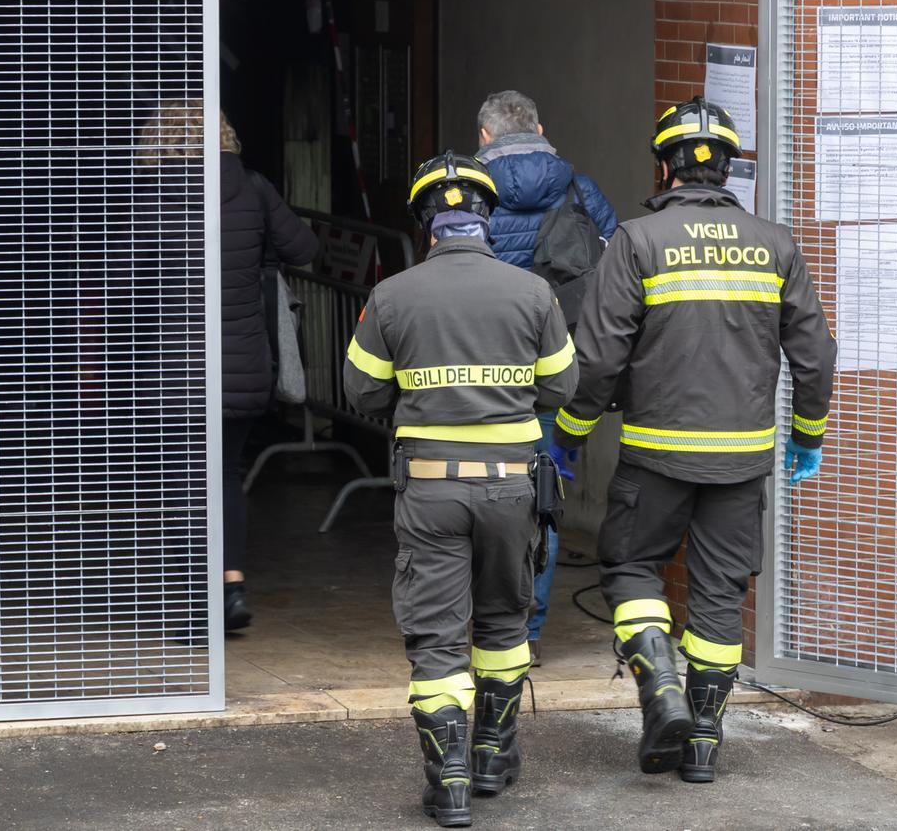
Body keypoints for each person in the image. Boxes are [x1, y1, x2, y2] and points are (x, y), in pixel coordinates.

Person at [550, 97, 836, 782]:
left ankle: (662, 692)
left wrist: (569, 432)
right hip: (741, 462)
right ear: (731, 168)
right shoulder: (777, 244)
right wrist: (806, 434)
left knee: (627, 566)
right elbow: (816, 355)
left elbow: (598, 358)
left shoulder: (636, 241)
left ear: (665, 166)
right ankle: (703, 744)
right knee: (716, 595)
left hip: (655, 456)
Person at [344, 151, 577, 827]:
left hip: (430, 490)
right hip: (511, 488)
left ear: (427, 222)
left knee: (437, 639)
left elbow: (360, 389)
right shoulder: (532, 292)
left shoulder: (392, 295)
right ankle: (493, 755)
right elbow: (564, 386)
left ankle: (447, 779)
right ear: (486, 216)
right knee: (504, 621)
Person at [140, 100, 318, 633]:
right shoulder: (254, 187)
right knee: (226, 475)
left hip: (173, 369)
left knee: (181, 484)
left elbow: (119, 282)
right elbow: (304, 247)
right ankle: (232, 585)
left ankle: (195, 600)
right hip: (243, 363)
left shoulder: (146, 195)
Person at [475, 89, 618, 665]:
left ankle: (487, 621)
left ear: (484, 137)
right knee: (543, 495)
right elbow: (614, 277)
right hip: (559, 370)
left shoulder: (467, 192)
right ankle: (527, 633)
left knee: (472, 491)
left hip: (479, 367)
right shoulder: (581, 190)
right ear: (541, 127)